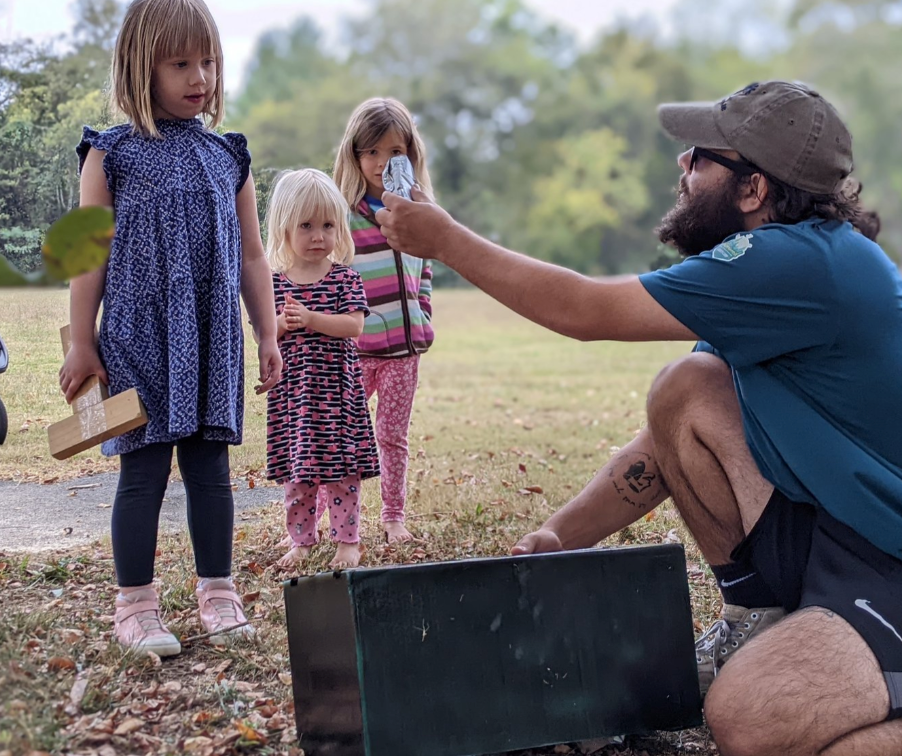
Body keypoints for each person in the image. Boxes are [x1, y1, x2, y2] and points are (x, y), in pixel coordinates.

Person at [375, 81, 902, 756]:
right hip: (834, 533)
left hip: (886, 560)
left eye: (697, 156)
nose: (681, 169)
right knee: (688, 385)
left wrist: (445, 240)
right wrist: (559, 535)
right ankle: (757, 617)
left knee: (748, 722)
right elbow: (672, 436)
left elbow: (585, 309)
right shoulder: (780, 269)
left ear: (753, 190)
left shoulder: (794, 264)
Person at [58, 0, 282, 657]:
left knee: (210, 468)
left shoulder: (227, 156)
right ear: (140, 67)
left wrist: (266, 333)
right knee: (144, 470)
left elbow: (253, 254)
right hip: (137, 337)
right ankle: (136, 607)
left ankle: (218, 594)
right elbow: (86, 255)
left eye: (208, 61)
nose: (200, 77)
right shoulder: (111, 155)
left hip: (211, 336)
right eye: (180, 63)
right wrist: (80, 339)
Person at [325, 96, 436, 544]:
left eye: (393, 151)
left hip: (403, 354)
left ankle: (393, 516)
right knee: (336, 437)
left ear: (409, 154)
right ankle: (318, 521)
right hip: (355, 351)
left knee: (392, 438)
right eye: (370, 151)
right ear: (354, 155)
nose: (381, 162)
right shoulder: (342, 216)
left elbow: (425, 268)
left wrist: (423, 313)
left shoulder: (416, 214)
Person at [263, 169, 380, 570]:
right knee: (299, 474)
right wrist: (281, 323)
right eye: (307, 226)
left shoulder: (345, 278)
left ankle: (348, 540)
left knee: (342, 472)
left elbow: (354, 326)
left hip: (337, 395)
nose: (318, 236)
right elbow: (265, 332)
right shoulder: (273, 283)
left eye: (328, 225)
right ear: (284, 229)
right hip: (294, 395)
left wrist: (311, 318)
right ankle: (301, 539)